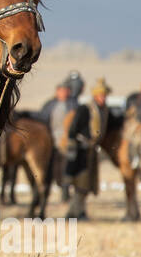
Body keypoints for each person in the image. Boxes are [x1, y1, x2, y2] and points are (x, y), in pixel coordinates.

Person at [64, 78, 109, 219]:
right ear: (95, 96)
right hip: (80, 150)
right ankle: (73, 212)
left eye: (104, 96)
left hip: (91, 149)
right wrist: (75, 146)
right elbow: (73, 129)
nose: (103, 98)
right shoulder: (85, 109)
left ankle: (80, 211)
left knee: (87, 184)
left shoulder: (103, 111)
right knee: (80, 183)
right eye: (101, 96)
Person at [39, 81, 73, 200]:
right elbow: (42, 119)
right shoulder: (50, 105)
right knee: (50, 168)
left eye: (66, 90)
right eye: (61, 90)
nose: (64, 93)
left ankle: (65, 193)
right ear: (57, 91)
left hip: (67, 142)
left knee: (66, 168)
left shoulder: (73, 105)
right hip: (51, 141)